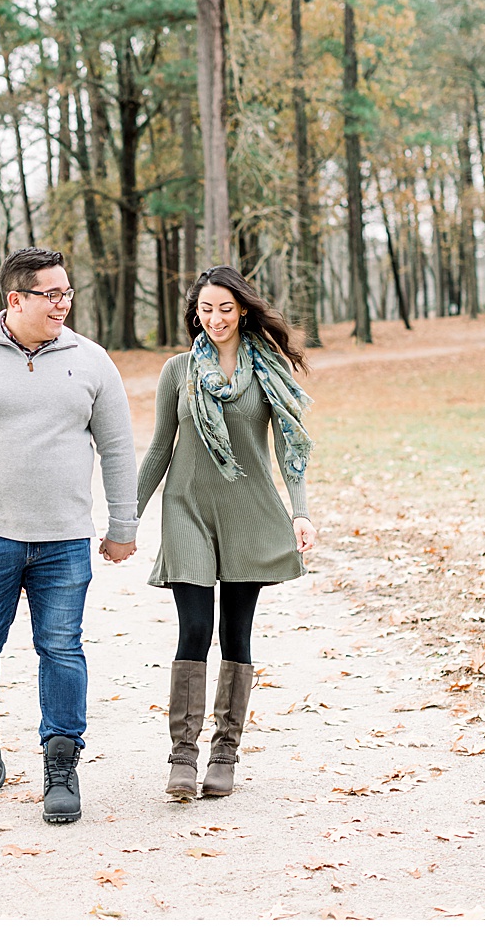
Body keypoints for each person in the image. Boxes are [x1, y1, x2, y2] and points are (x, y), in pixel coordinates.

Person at [0, 247, 138, 826]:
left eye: (68, 292)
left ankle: (61, 764)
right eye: (52, 294)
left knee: (62, 650)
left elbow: (116, 448)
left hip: (65, 540)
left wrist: (122, 524)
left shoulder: (92, 361)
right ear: (16, 300)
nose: (64, 303)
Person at [137, 265, 316, 799]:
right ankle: (182, 758)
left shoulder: (268, 373)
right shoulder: (177, 372)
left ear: (242, 310)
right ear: (195, 313)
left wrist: (300, 511)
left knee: (236, 635)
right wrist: (125, 518)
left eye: (225, 308)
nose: (214, 318)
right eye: (205, 309)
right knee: (193, 631)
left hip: (249, 513)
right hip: (187, 508)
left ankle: (225, 754)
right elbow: (158, 450)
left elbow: (290, 446)